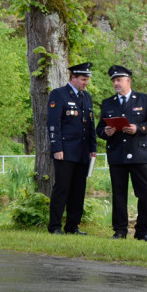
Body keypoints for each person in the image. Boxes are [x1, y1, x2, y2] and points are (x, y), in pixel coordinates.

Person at [96, 65, 147, 241]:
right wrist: (105, 132)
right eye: (114, 81)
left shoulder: (143, 99)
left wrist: (138, 128)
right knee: (119, 194)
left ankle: (142, 231)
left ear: (128, 81)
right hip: (117, 154)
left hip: (138, 154)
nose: (116, 83)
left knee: (145, 192)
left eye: (119, 80)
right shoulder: (108, 103)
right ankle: (120, 231)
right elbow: (99, 128)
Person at [47, 62, 97, 235]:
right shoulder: (59, 94)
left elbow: (91, 125)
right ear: (73, 77)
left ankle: (72, 226)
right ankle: (54, 226)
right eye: (83, 79)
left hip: (82, 152)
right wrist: (57, 148)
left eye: (87, 79)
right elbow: (54, 124)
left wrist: (93, 148)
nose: (86, 83)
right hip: (65, 151)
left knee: (78, 190)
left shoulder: (86, 97)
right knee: (62, 188)